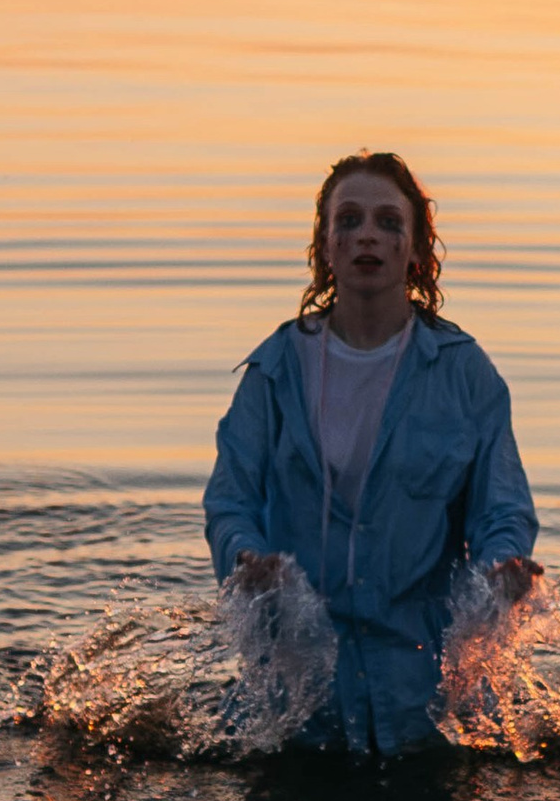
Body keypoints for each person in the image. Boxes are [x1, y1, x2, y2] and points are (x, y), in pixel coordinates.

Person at [204, 152, 538, 752]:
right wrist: (246, 557)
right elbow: (231, 500)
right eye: (349, 220)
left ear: (415, 251)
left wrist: (502, 568)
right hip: (294, 703)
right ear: (325, 246)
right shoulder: (276, 371)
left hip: (423, 703)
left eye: (388, 222)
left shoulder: (464, 374)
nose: (367, 235)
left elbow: (502, 509)